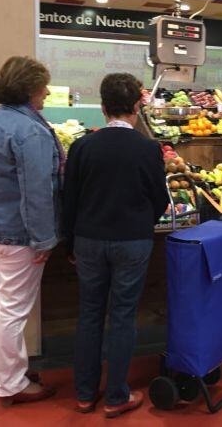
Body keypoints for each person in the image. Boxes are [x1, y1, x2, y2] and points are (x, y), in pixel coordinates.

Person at [62, 73, 169, 418]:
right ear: (137, 108)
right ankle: (116, 396)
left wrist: (70, 244)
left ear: (104, 107)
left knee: (90, 314)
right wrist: (143, 221)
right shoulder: (149, 149)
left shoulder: (82, 146)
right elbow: (159, 199)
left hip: (89, 240)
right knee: (123, 315)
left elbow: (70, 199)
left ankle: (83, 394)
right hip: (132, 240)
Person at [0, 56, 62, 406]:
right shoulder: (30, 131)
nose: (47, 92)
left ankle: (1, 373)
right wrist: (44, 239)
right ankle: (13, 383)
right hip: (17, 236)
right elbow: (37, 192)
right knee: (12, 309)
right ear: (28, 90)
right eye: (42, 87)